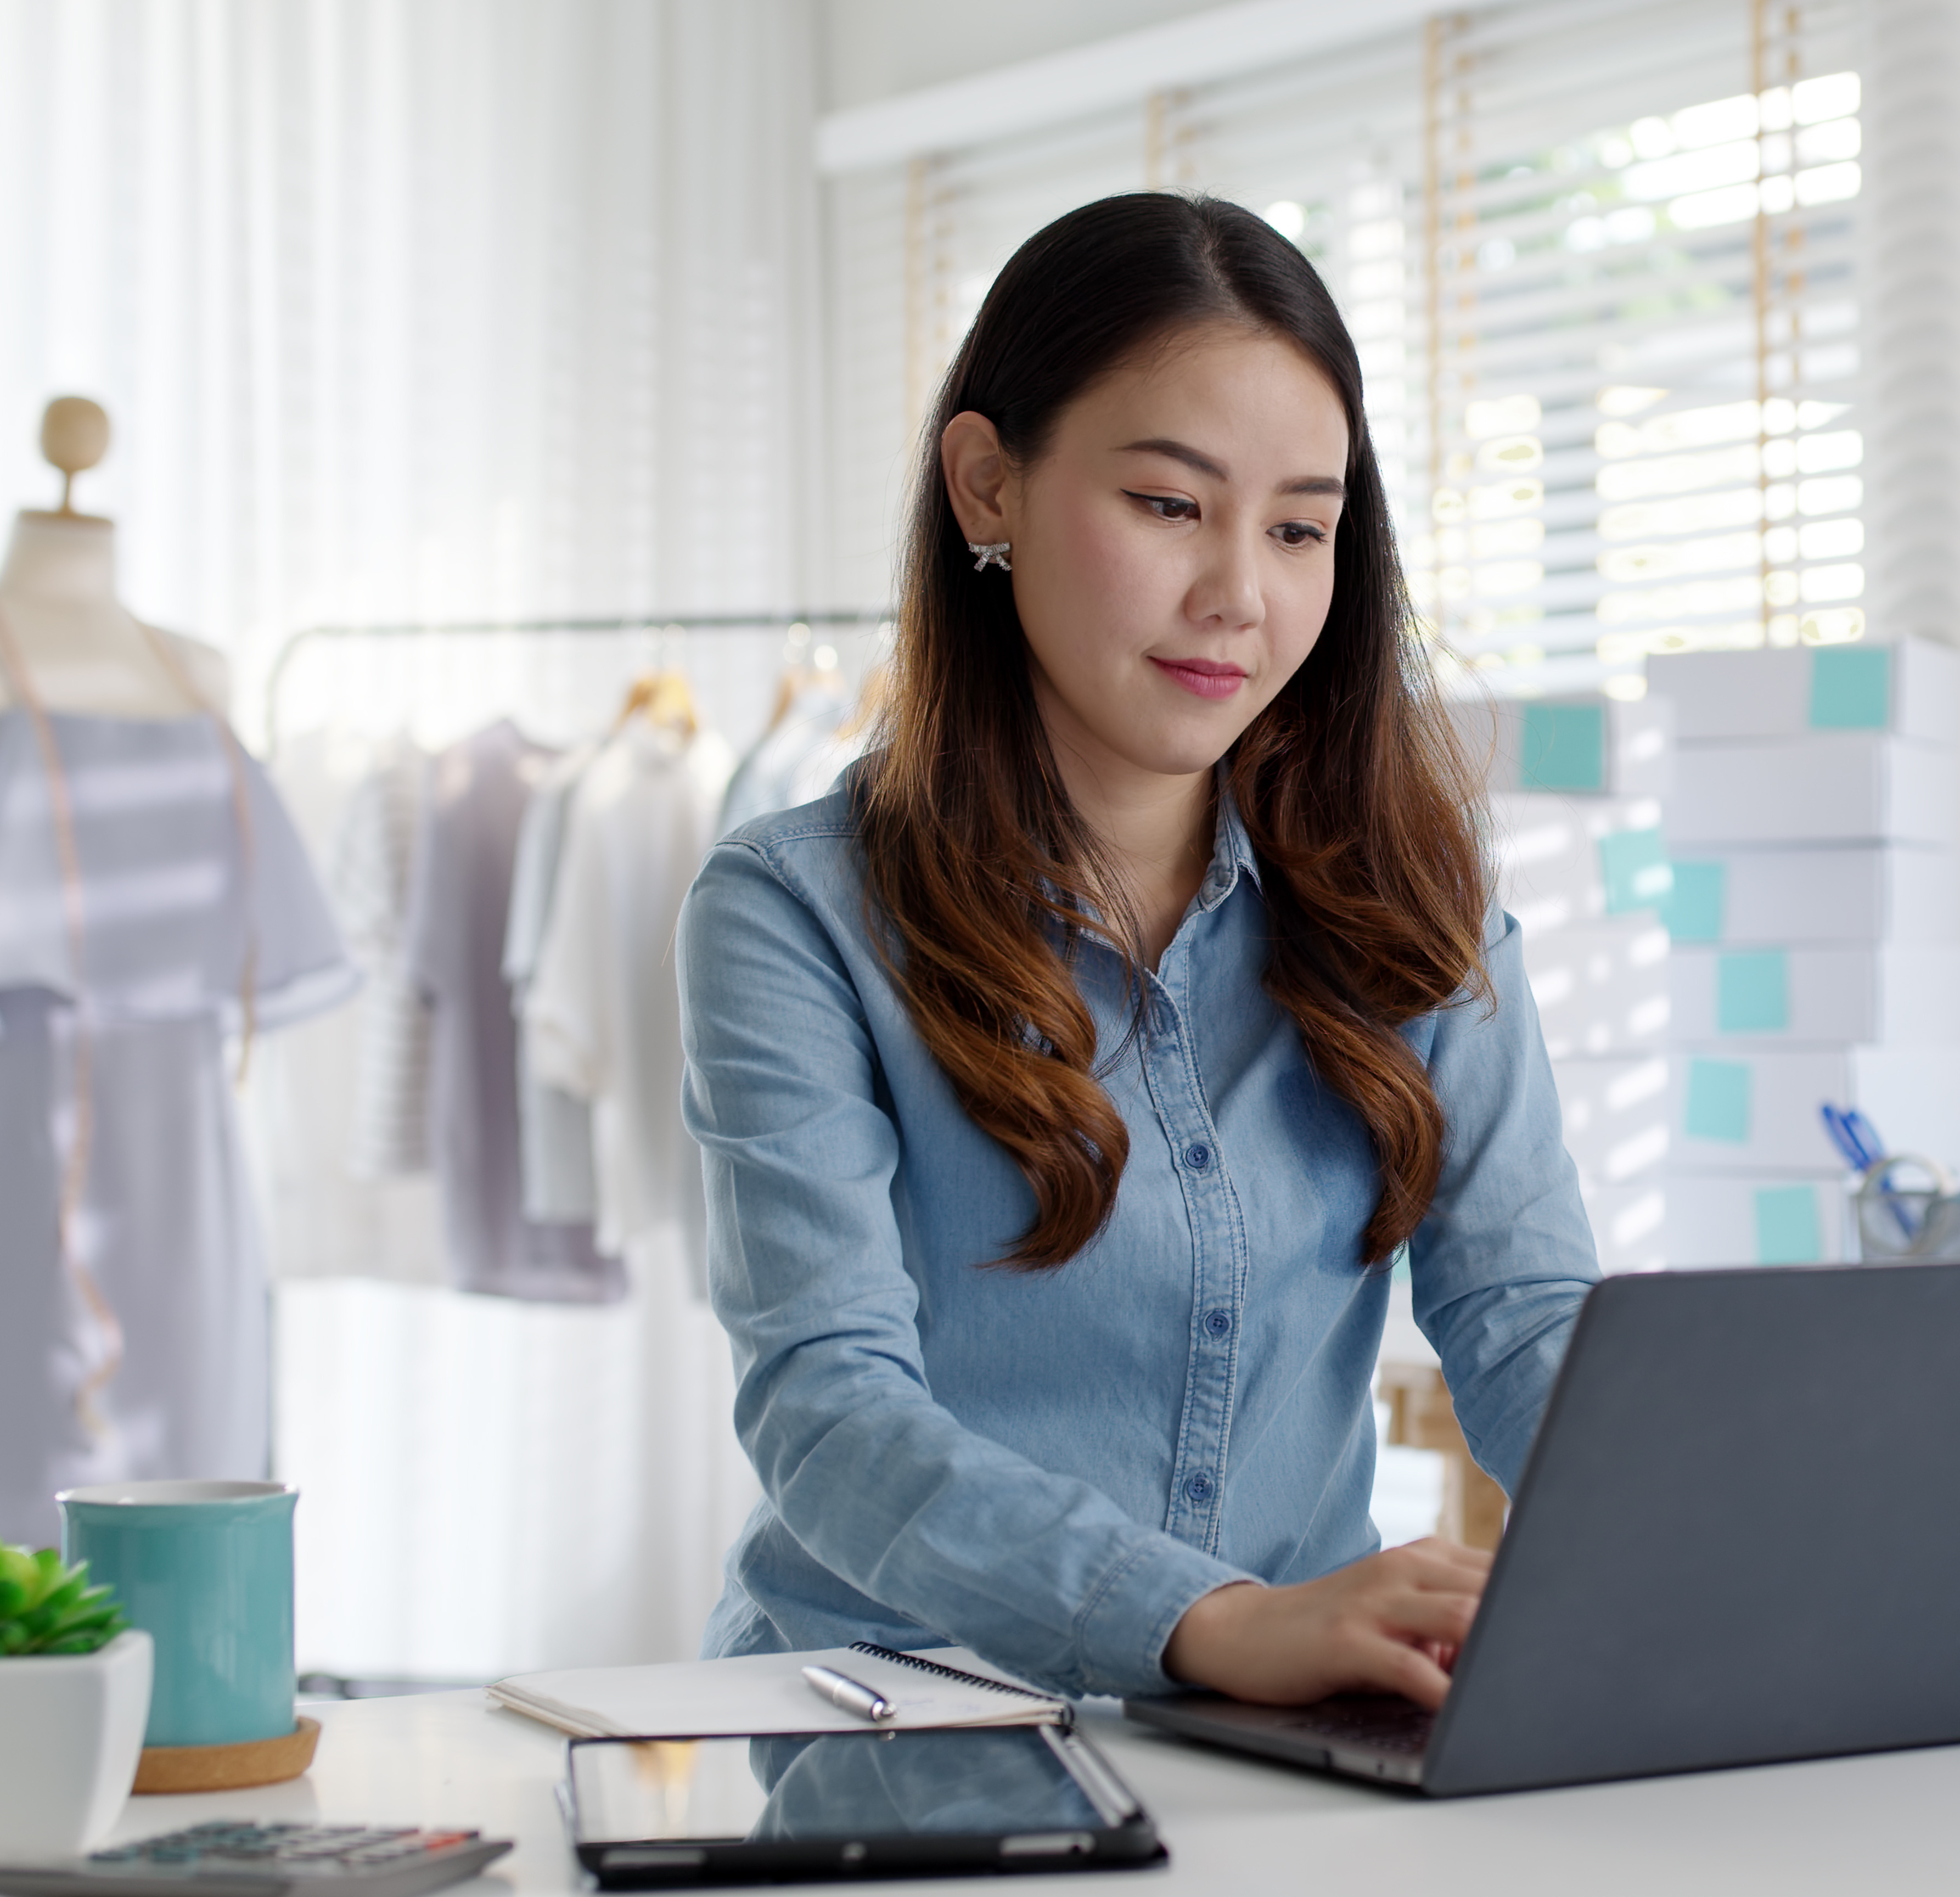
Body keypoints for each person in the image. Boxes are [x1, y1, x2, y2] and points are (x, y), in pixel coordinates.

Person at [678, 194, 1599, 1709]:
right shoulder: (797, 915)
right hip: (889, 1729)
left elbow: (1523, 1319)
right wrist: (1216, 1623)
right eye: (1171, 506)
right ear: (988, 485)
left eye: (1300, 527)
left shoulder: (1409, 903)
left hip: (1290, 1743)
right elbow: (832, 1418)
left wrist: (1726, 1549)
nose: (1241, 590)